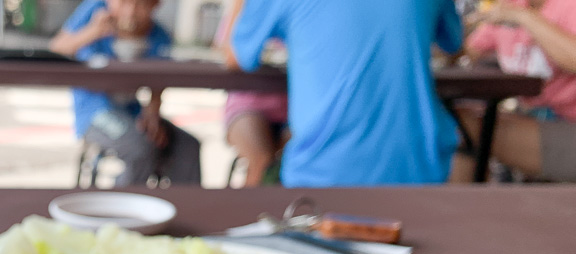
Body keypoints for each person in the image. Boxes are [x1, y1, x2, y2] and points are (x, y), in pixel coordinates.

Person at [229, 0, 463, 187]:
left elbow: (237, 55)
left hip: (321, 172)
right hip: (420, 166)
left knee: (261, 168)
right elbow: (454, 44)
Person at [49, 0, 202, 186]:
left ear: (155, 5)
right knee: (139, 149)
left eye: (140, 4)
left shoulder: (159, 36)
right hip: (94, 111)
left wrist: (153, 113)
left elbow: (159, 81)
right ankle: (120, 206)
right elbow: (56, 48)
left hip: (133, 111)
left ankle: (182, 205)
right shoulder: (94, 12)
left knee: (187, 146)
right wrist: (92, 32)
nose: (130, 12)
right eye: (123, 3)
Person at [454, 0, 576, 182]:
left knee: (463, 128)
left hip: (568, 125)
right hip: (538, 121)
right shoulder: (511, 6)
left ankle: (458, 208)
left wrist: (523, 17)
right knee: (457, 120)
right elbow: (462, 50)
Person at [215, 0, 289, 187]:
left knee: (301, 158)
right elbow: (228, 52)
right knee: (261, 160)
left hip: (293, 109)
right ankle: (248, 213)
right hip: (247, 104)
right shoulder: (247, 5)